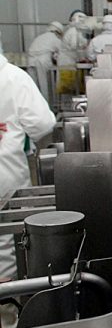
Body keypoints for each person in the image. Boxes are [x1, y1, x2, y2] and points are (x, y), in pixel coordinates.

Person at [0, 52, 57, 285]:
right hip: (5, 173)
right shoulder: (12, 77)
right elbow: (42, 123)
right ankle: (8, 302)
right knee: (6, 245)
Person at [27, 22, 64, 100]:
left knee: (33, 87)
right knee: (44, 86)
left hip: (31, 61)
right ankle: (45, 105)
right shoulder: (55, 39)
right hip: (43, 61)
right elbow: (63, 53)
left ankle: (34, 105)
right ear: (58, 32)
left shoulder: (39, 37)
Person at [57, 10, 89, 94]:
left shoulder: (77, 32)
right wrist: (83, 55)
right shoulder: (73, 31)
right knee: (68, 86)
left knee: (71, 86)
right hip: (67, 62)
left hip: (71, 61)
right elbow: (74, 47)